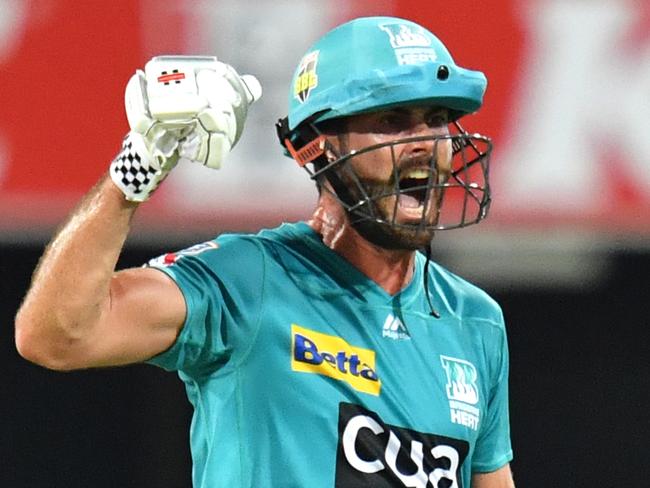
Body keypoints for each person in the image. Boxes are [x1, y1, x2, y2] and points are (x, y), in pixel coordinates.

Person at [15, 16, 515, 488]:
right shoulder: (248, 281)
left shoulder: (474, 323)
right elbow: (54, 336)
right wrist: (135, 169)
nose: (425, 143)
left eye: (436, 118)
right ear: (316, 147)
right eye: (392, 119)